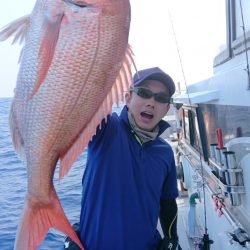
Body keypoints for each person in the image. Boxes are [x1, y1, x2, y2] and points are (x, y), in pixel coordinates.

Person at [64, 67, 182, 250]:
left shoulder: (165, 152)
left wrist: (172, 238)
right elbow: (82, 95)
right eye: (144, 93)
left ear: (167, 108)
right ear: (128, 98)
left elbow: (167, 202)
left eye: (161, 98)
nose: (151, 102)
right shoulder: (107, 128)